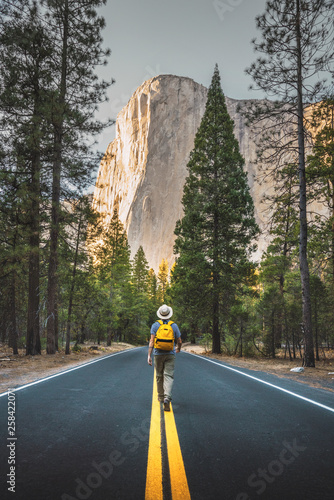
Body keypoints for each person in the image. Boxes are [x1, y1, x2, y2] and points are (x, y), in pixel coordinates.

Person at [147, 304, 182, 411]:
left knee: (158, 375)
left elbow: (152, 341)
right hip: (170, 354)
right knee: (168, 376)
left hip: (158, 354)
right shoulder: (174, 325)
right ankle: (167, 398)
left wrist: (149, 355)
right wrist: (178, 349)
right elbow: (179, 341)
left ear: (160, 314)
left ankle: (161, 397)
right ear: (169, 314)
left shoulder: (155, 325)